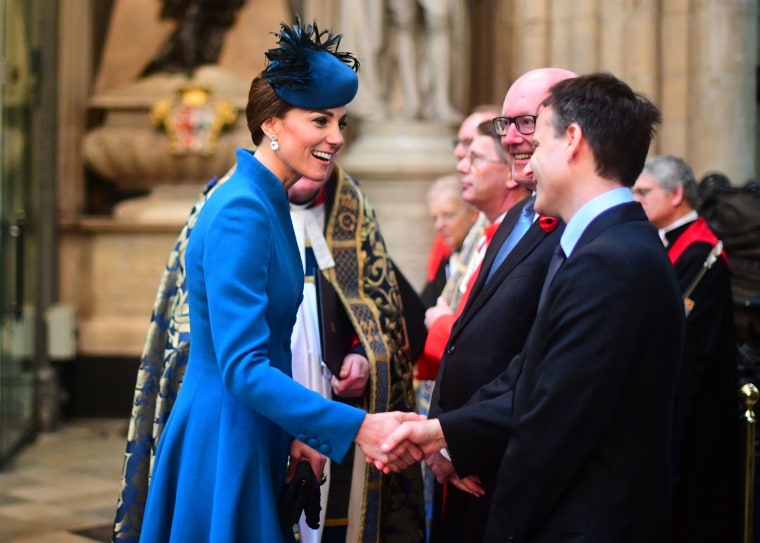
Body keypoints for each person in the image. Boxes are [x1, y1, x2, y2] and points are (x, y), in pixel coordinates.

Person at [136, 19, 419, 543]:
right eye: (320, 120)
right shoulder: (243, 209)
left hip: (252, 428)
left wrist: (292, 431)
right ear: (271, 124)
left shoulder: (264, 198)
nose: (336, 138)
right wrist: (355, 426)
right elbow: (243, 367)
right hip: (226, 436)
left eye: (341, 122)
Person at [382, 72, 685, 543]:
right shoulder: (603, 245)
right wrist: (440, 431)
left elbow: (552, 425)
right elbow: (531, 377)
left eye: (537, 140)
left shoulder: (610, 260)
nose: (522, 158)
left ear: (572, 141)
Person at [418, 68, 571, 543]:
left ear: (570, 128)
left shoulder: (574, 232)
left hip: (504, 467)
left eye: (526, 122)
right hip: (464, 461)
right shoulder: (512, 221)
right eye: (505, 126)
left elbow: (537, 363)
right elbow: (469, 340)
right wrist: (444, 440)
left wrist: (458, 440)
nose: (514, 139)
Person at [632, 154, 740, 543]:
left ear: (676, 194)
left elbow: (686, 343)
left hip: (696, 407)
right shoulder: (663, 242)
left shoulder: (701, 252)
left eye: (644, 191)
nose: (636, 199)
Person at [420, 174, 480, 307]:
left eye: (448, 215)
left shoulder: (483, 256)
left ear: (474, 213)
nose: (439, 225)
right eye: (435, 218)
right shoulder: (445, 263)